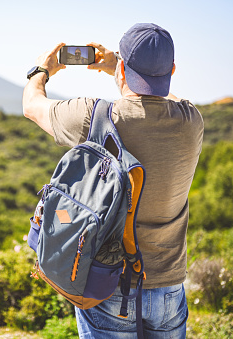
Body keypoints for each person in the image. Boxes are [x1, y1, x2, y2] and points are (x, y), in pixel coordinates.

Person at [23, 23, 203, 338]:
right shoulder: (190, 122)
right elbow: (170, 99)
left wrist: (42, 69)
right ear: (172, 69)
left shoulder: (93, 116)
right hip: (169, 289)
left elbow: (32, 107)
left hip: (109, 283)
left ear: (122, 67)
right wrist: (117, 69)